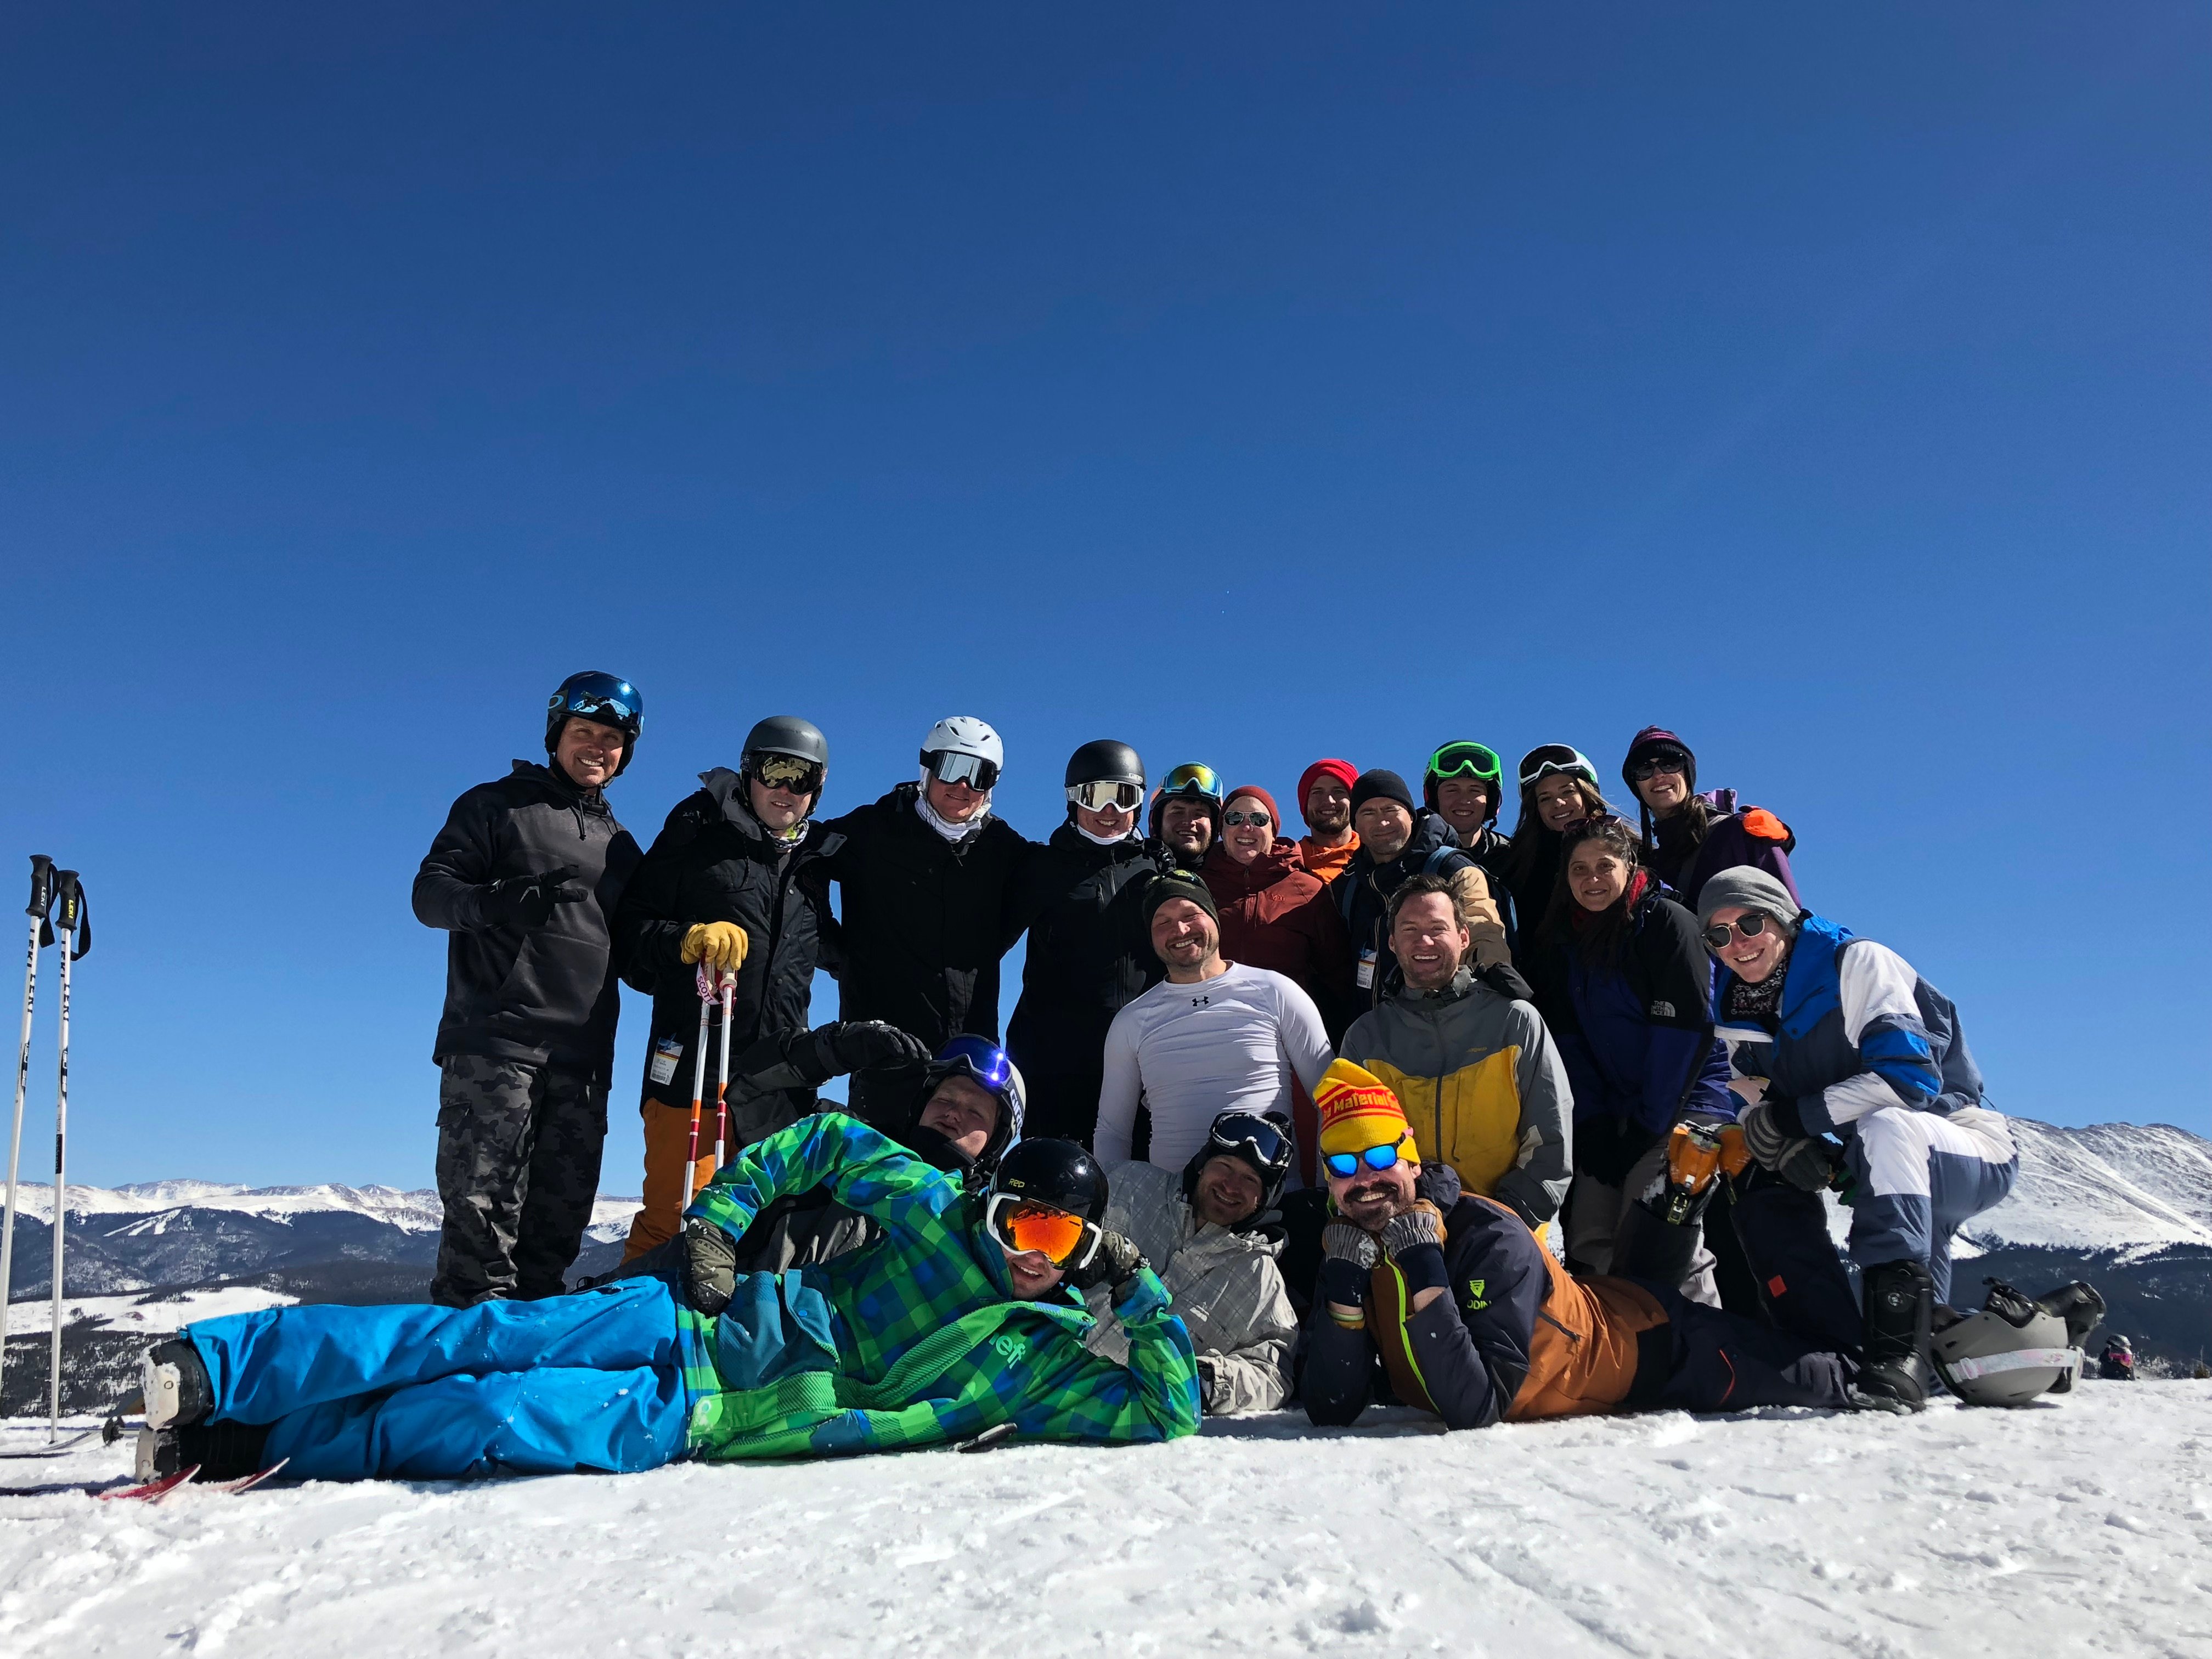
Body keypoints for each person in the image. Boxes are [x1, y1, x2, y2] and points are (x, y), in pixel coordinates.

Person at [131, 1120, 1198, 1483]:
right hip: (704, 1321)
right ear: (992, 1200)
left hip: (715, 1417)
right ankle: (217, 1369)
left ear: (1086, 1252)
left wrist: (1136, 1286)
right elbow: (819, 1142)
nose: (1029, 1253)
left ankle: (248, 1446)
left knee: (490, 1417)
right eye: (1022, 1220)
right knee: (492, 1333)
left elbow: (1168, 1411)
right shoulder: (929, 1203)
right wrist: (720, 1224)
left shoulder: (1046, 1359)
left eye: (1059, 1241)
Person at [1297, 1060, 1897, 1432]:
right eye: (1345, 1165)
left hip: (1659, 1351)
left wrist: (1423, 1257)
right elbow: (1330, 1405)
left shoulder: (1487, 1236)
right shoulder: (1351, 1248)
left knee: (1840, 1374)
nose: (1366, 1178)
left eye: (1380, 1157)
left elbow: (1477, 1405)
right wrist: (1345, 1289)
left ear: (1407, 1156)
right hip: (1606, 1311)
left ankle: (1764, 1197)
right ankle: (1673, 1204)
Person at [1699, 865, 2019, 1408]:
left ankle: (1893, 1359)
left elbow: (1909, 1079)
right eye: (1719, 934)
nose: (1738, 944)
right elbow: (1752, 1102)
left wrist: (1795, 1121)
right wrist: (1793, 1141)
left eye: (1750, 923)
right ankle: (1835, 1346)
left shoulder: (1856, 963)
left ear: (1785, 918)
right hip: (1873, 1161)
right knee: (1751, 1165)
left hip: (1957, 1143)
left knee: (1887, 1124)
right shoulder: (1735, 1010)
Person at [411, 670, 645, 1307]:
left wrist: (694, 948)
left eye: (612, 737)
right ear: (556, 733)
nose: (597, 746)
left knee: (553, 1242)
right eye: (584, 731)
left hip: (585, 1060)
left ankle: (526, 1389)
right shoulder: (494, 805)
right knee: (481, 1238)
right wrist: (497, 902)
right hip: (497, 1046)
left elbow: (639, 950)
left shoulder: (621, 846)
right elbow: (429, 895)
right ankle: (462, 1391)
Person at [612, 716, 850, 1261]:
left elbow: (836, 952)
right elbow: (630, 937)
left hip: (776, 1081)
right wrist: (687, 939)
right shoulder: (696, 836)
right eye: (776, 771)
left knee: (764, 1231)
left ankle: (731, 1344)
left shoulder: (814, 864)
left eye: (804, 778)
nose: (788, 790)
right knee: (676, 1222)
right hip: (696, 1067)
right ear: (749, 773)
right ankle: (637, 1341)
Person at [1524, 815, 1733, 1299]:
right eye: (1579, 870)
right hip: (1618, 1108)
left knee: (1657, 1229)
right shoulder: (1567, 939)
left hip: (1684, 1103)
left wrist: (1645, 1126)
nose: (1592, 879)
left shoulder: (1666, 923)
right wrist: (1595, 1123)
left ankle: (1697, 1352)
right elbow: (1572, 1040)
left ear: (1629, 865)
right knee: (1590, 1236)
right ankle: (1621, 1355)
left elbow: (1683, 1034)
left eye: (1604, 866)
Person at [806, 716, 1030, 1122]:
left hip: (969, 1054)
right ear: (927, 768)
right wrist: (834, 950)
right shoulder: (873, 830)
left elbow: (1060, 882)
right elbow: (799, 860)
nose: (962, 786)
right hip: (883, 1052)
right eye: (951, 768)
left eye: (978, 775)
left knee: (953, 1178)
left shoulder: (1005, 851)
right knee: (880, 1175)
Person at [1339, 875, 1571, 1230]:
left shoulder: (1514, 1021)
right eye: (1410, 929)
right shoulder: (1366, 1039)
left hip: (1512, 1230)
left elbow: (1551, 1143)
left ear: (1464, 938)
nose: (1425, 940)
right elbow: (1352, 1149)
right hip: (1405, 1233)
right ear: (1391, 942)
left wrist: (1500, 1224)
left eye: (1438, 927)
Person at [1093, 871, 1333, 1173]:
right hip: (1171, 1210)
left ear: (1214, 918)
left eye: (1190, 914)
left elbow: (1332, 1100)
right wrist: (1114, 1198)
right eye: (1162, 922)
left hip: (1274, 1207)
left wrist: (1329, 1196)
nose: (1179, 929)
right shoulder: (1132, 1020)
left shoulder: (1275, 991)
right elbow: (1112, 1132)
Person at [1005, 740, 1162, 1144]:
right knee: (1054, 1189)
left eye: (1124, 796)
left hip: (1140, 1064)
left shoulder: (1157, 870)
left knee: (1138, 1184)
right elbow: (979, 944)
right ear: (1074, 801)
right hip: (1056, 1063)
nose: (1110, 812)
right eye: (1097, 796)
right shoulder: (1040, 868)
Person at [1091, 1109, 1299, 1414]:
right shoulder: (1126, 1185)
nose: (1230, 1185)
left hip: (1127, 1424)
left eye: (1249, 1180)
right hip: (1034, 1368)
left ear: (1264, 1199)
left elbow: (1274, 1374)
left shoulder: (1260, 1277)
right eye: (1224, 1166)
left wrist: (1210, 1381)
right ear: (1202, 1166)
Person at [1333, 768, 1509, 1014]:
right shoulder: (1348, 888)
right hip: (1373, 1037)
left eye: (1392, 810)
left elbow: (1482, 928)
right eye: (1369, 813)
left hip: (1450, 1029)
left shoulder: (1452, 869)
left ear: (1411, 816)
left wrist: (1494, 981)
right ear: (1355, 825)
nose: (1382, 822)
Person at [1201, 784, 1356, 1034]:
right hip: (1210, 1028)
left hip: (1286, 1032)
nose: (1246, 826)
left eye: (1259, 819)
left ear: (1273, 832)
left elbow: (1337, 974)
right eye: (1234, 818)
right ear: (1222, 830)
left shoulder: (1307, 889)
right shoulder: (1198, 887)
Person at [1620, 726, 1801, 912]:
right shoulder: (1646, 866)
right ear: (1637, 786)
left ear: (1687, 774)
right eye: (1644, 769)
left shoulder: (1742, 832)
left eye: (1670, 763)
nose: (1658, 775)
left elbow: (1789, 915)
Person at [1496, 745, 1613, 942]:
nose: (1558, 803)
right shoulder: (1515, 868)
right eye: (1545, 798)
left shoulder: (1623, 851)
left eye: (1567, 792)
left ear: (1587, 794)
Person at [1295, 758, 1361, 885]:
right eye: (1317, 792)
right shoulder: (1287, 865)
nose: (1329, 800)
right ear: (1305, 803)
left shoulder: (1378, 858)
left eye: (1338, 792)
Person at [1149, 761, 1223, 866]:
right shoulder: (1131, 869)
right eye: (1178, 812)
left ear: (1215, 826)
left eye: (1199, 814)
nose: (1189, 822)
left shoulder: (1233, 879)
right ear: (1157, 821)